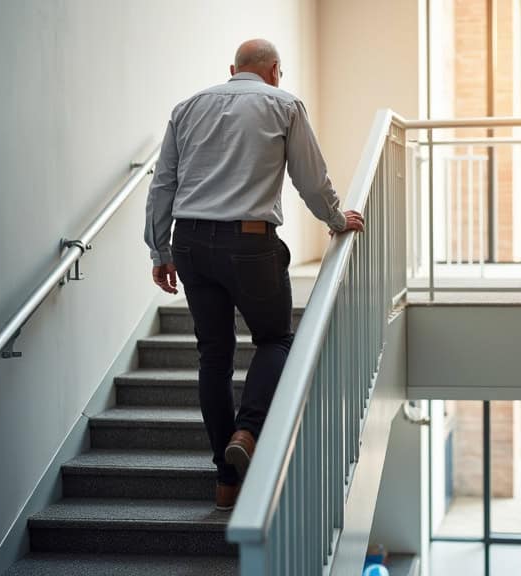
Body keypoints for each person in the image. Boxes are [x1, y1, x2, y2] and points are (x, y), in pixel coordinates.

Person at [144, 39, 365, 511]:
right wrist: (335, 219)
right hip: (249, 243)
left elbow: (163, 181)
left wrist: (159, 249)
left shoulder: (187, 108)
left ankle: (226, 482)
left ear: (233, 69)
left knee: (214, 356)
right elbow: (310, 176)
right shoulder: (283, 104)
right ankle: (247, 430)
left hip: (190, 243)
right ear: (274, 70)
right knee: (274, 340)